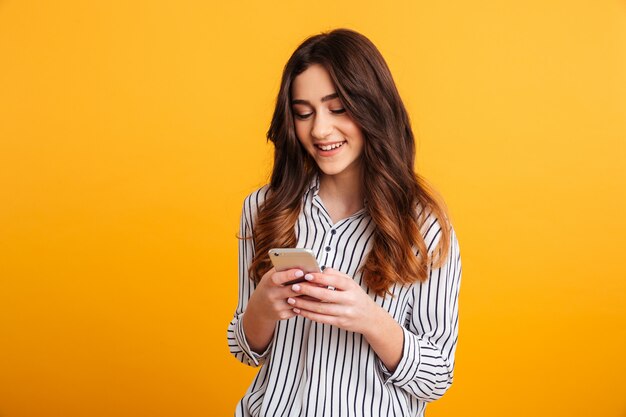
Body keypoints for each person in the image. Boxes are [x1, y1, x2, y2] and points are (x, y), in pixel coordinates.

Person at [227, 28, 462, 417]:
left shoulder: (424, 226)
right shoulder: (263, 208)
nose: (319, 129)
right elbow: (244, 348)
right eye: (303, 113)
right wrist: (263, 306)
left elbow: (437, 376)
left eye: (338, 109)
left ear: (373, 107)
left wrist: (369, 319)